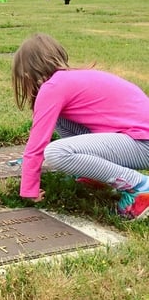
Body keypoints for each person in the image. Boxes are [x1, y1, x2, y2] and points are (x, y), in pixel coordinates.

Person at [12, 33, 149, 219]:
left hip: (141, 143)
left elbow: (37, 145)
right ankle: (94, 174)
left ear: (27, 74)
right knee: (60, 118)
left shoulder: (52, 87)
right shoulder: (73, 78)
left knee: (56, 153)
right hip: (134, 138)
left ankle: (141, 187)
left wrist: (28, 188)